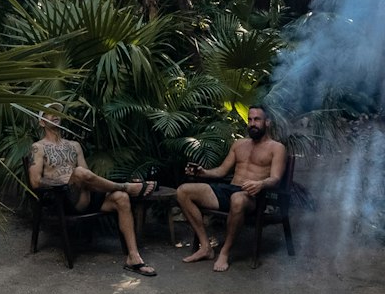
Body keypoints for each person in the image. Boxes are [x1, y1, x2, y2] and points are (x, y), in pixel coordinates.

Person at [28, 106, 159, 277]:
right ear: (41, 122)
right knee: (81, 173)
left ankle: (133, 257)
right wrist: (64, 180)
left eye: (57, 112)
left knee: (121, 198)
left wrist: (80, 178)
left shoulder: (74, 146)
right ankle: (125, 185)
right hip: (63, 199)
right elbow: (35, 181)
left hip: (85, 196)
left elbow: (87, 177)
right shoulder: (38, 148)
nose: (54, 115)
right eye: (48, 113)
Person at [176, 104, 287, 273]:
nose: (252, 123)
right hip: (229, 190)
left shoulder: (277, 148)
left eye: (257, 119)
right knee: (183, 191)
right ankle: (205, 246)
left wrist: (260, 183)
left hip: (252, 196)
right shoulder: (239, 144)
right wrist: (203, 172)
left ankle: (225, 252)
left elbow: (276, 179)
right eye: (250, 119)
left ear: (267, 122)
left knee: (237, 199)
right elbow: (221, 171)